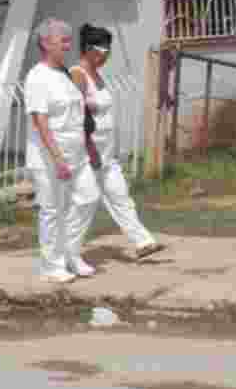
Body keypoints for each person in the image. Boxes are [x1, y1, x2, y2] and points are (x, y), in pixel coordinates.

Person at [70, 24, 165, 261]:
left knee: (120, 197)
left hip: (107, 154)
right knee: (83, 206)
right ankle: (63, 252)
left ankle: (143, 242)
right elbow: (75, 114)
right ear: (91, 50)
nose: (107, 56)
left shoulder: (97, 75)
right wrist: (89, 148)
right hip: (88, 153)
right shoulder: (77, 75)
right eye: (105, 51)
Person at [24, 18, 101, 283]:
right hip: (49, 157)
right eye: (63, 41)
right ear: (46, 43)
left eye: (69, 40)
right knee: (52, 210)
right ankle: (52, 264)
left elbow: (76, 115)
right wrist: (57, 159)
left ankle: (70, 252)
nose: (68, 46)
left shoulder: (64, 75)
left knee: (89, 198)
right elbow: (40, 121)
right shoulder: (37, 77)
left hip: (77, 153)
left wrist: (86, 147)